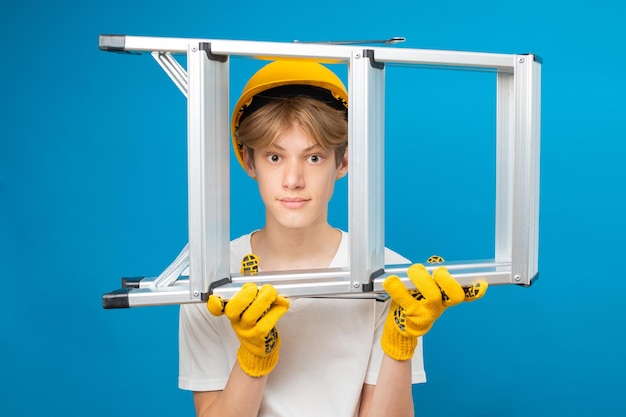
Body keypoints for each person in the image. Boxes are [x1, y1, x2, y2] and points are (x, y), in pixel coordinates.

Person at [178, 60, 487, 417]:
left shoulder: (389, 275)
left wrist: (400, 344)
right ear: (249, 162)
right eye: (275, 156)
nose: (293, 179)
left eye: (313, 157)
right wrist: (253, 359)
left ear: (342, 163)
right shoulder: (214, 282)